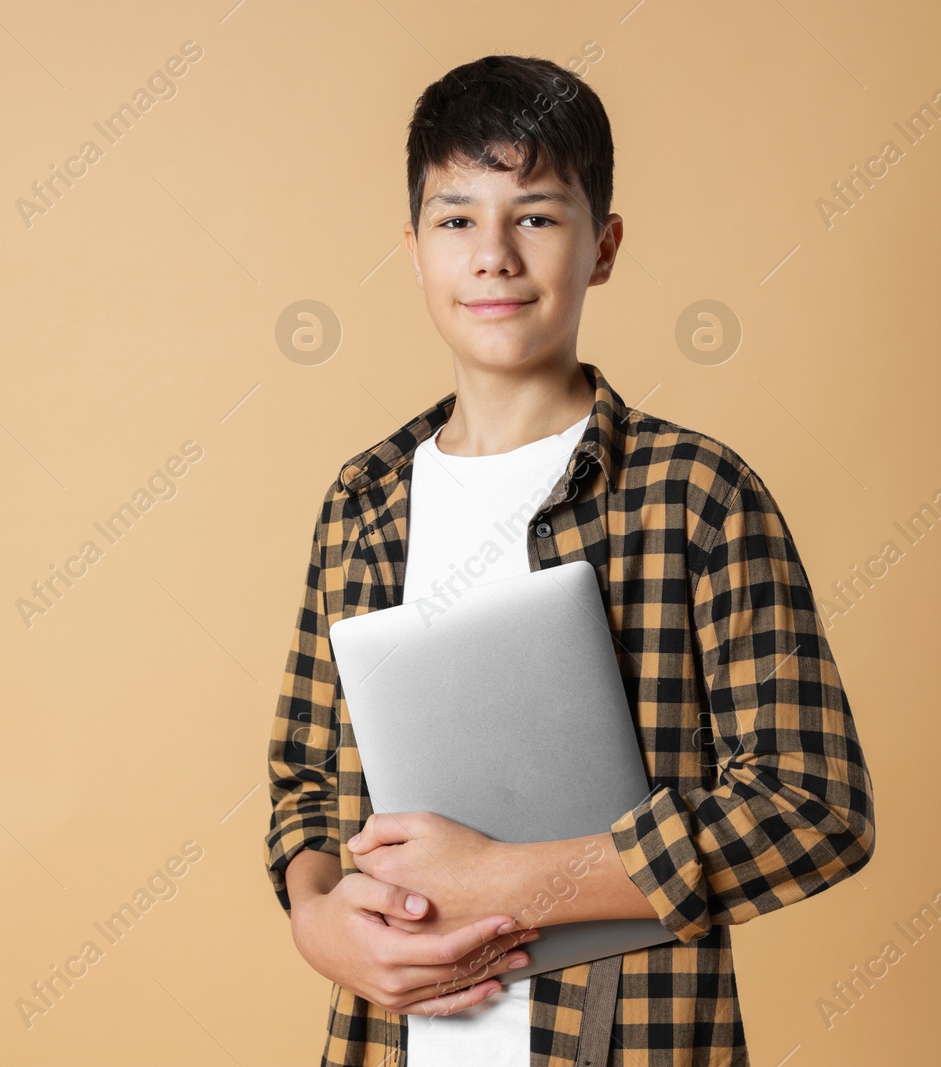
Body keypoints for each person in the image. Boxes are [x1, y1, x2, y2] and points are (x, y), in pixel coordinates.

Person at [264, 53, 876, 1067]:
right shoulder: (360, 502)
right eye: (456, 218)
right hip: (394, 1042)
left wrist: (512, 879)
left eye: (536, 216)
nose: (493, 255)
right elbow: (305, 784)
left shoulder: (694, 491)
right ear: (413, 250)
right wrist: (315, 917)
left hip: (621, 1039)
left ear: (603, 246)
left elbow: (813, 804)